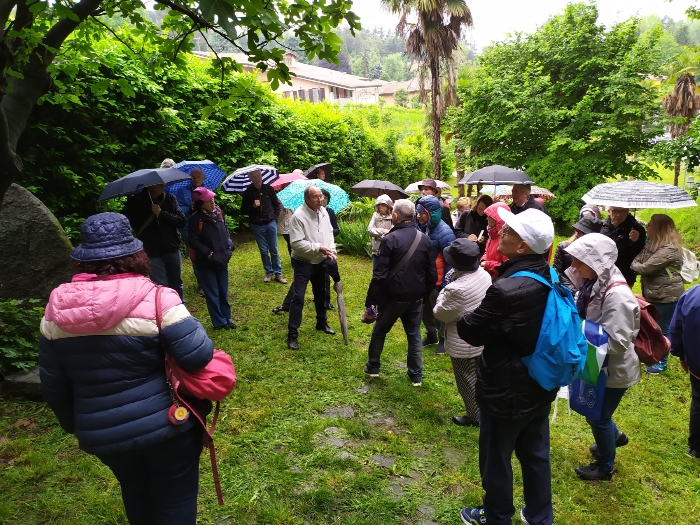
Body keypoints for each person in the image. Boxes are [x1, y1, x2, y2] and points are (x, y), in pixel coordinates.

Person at [39, 212, 214, 525]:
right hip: (167, 428)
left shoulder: (56, 308)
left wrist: (75, 424)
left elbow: (53, 383)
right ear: (137, 255)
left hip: (103, 435)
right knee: (175, 498)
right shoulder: (158, 298)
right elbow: (197, 355)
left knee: (135, 492)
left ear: (82, 261)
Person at [457, 208, 556, 525]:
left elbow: (470, 329)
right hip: (541, 381)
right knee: (536, 453)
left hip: (506, 389)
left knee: (496, 457)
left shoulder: (505, 291)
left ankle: (497, 516)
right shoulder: (550, 275)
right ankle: (540, 515)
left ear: (523, 246)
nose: (500, 233)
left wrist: (464, 312)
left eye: (509, 232)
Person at [565, 233, 640, 481]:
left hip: (613, 368)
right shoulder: (594, 282)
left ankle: (605, 467)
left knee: (597, 416)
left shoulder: (616, 295)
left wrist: (581, 328)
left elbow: (618, 341)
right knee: (594, 411)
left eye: (578, 261)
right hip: (597, 362)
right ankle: (615, 437)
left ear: (596, 262)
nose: (573, 266)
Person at [363, 199, 436, 386]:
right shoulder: (424, 239)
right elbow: (431, 274)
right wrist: (424, 297)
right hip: (415, 297)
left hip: (393, 297)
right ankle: (416, 376)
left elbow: (379, 275)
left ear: (395, 216)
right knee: (414, 335)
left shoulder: (390, 239)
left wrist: (370, 304)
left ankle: (373, 368)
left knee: (380, 330)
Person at [433, 239, 491, 426]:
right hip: (481, 334)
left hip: (462, 339)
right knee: (481, 374)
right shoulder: (483, 274)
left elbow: (439, 313)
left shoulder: (456, 289)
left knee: (466, 378)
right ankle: (486, 408)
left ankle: (475, 416)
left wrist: (443, 292)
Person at [630, 214, 685, 374]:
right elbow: (638, 259)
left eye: (650, 225)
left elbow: (644, 267)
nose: (647, 227)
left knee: (663, 329)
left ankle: (661, 361)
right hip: (654, 293)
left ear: (659, 228)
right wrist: (637, 261)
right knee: (652, 327)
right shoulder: (652, 244)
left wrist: (636, 264)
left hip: (667, 295)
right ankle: (651, 356)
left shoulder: (670, 249)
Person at [286, 185, 337, 350]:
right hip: (303, 261)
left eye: (320, 196)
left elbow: (329, 233)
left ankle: (321, 323)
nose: (319, 200)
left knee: (321, 293)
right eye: (315, 197)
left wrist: (332, 251)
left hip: (321, 260)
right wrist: (318, 247)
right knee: (298, 297)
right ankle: (292, 334)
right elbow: (296, 243)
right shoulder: (298, 216)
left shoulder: (323, 212)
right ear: (306, 199)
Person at [122, 183, 186, 302]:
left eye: (163, 183)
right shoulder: (135, 202)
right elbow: (125, 223)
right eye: (159, 184)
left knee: (176, 283)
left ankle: (181, 308)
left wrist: (161, 214)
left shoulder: (170, 199)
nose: (162, 186)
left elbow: (181, 221)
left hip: (171, 247)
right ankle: (166, 312)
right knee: (161, 286)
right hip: (151, 251)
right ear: (150, 186)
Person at [188, 187, 235, 330]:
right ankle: (219, 322)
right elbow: (193, 241)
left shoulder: (219, 213)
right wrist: (209, 253)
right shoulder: (195, 219)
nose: (212, 202)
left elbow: (225, 231)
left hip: (222, 259)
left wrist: (229, 246)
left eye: (213, 199)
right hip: (206, 262)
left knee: (223, 291)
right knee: (212, 292)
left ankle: (227, 318)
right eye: (208, 201)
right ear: (201, 204)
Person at [415, 195, 456, 354]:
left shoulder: (445, 232)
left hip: (438, 281)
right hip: (425, 279)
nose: (418, 215)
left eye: (421, 212)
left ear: (431, 213)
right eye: (417, 211)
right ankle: (431, 334)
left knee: (439, 311)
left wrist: (446, 285)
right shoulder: (423, 226)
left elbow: (450, 262)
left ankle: (443, 339)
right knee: (425, 309)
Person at [669, 284, 700, 459]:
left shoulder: (692, 294)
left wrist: (681, 355)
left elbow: (676, 329)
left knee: (698, 402)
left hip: (696, 362)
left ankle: (696, 447)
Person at [240, 169, 286, 284]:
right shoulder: (248, 192)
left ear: (262, 176)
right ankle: (269, 272)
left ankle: (278, 274)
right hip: (257, 224)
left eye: (259, 176)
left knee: (274, 249)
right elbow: (243, 210)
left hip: (270, 223)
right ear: (250, 178)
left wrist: (274, 220)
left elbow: (276, 205)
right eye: (254, 177)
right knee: (264, 250)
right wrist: (253, 206)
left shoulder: (269, 189)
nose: (257, 178)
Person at [553, 215, 602, 291]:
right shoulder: (563, 247)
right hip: (565, 292)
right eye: (577, 231)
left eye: (581, 233)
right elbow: (555, 271)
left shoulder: (597, 254)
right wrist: (572, 289)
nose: (576, 234)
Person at [599, 206, 646, 286]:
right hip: (604, 271)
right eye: (615, 211)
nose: (618, 215)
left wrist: (636, 242)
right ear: (609, 211)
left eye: (622, 211)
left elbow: (641, 255)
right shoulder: (602, 226)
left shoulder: (636, 228)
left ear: (627, 212)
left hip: (625, 274)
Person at [320, 188, 340, 310]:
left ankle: (326, 301)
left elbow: (336, 229)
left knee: (326, 276)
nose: (322, 200)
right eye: (320, 197)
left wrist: (329, 232)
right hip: (315, 249)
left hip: (327, 247)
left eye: (325, 198)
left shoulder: (330, 212)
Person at [480, 201, 510, 279]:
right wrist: (483, 260)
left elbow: (507, 265)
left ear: (498, 219)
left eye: (490, 216)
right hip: (488, 276)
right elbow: (487, 252)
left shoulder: (505, 240)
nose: (487, 219)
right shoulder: (492, 235)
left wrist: (487, 264)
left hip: (498, 279)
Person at [176, 167, 205, 245]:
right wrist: (190, 208)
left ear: (203, 177)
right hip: (188, 228)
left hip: (205, 225)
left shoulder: (207, 191)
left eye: (198, 177)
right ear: (190, 178)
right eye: (193, 177)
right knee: (193, 251)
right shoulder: (182, 191)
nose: (196, 179)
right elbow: (178, 210)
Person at [367, 194, 394, 269]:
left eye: (383, 204)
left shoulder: (393, 216)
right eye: (379, 204)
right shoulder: (375, 215)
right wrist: (383, 231)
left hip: (389, 248)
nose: (380, 206)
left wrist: (377, 231)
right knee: (376, 269)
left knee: (388, 270)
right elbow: (369, 230)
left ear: (388, 206)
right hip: (376, 248)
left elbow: (394, 232)